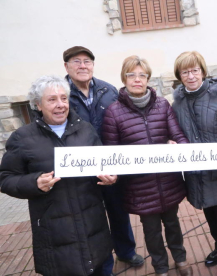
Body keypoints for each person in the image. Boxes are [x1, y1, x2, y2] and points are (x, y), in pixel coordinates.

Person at [0, 75, 117, 276]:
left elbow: (103, 164)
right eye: (52, 99)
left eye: (64, 98)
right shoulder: (22, 138)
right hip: (54, 231)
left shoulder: (86, 130)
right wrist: (34, 182)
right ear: (38, 104)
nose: (60, 105)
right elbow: (6, 178)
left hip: (92, 223)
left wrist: (111, 177)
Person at [101, 55, 192, 276]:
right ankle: (160, 267)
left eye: (142, 75)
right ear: (124, 78)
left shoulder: (162, 104)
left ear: (148, 79)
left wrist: (178, 145)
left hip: (168, 182)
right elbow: (111, 152)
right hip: (139, 188)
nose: (137, 79)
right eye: (131, 75)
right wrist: (113, 174)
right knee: (151, 232)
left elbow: (179, 136)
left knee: (173, 225)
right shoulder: (113, 112)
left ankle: (180, 259)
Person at [63, 46, 142, 276]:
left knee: (119, 211)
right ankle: (102, 262)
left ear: (93, 65)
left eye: (87, 61)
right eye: (76, 61)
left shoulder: (108, 90)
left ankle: (126, 251)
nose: (82, 66)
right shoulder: (60, 94)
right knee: (92, 219)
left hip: (111, 166)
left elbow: (125, 121)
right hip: (80, 171)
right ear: (66, 66)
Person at [172, 51, 217, 276]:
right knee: (210, 216)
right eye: (185, 72)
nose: (191, 76)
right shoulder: (177, 104)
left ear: (203, 71)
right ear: (179, 75)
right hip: (197, 174)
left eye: (195, 70)